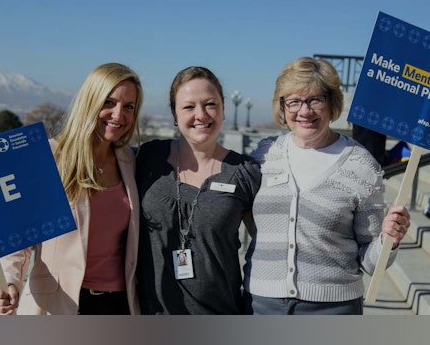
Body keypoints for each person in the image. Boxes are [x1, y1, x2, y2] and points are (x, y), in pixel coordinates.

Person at [242, 56, 411, 315]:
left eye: (315, 100)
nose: (305, 111)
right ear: (282, 107)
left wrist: (389, 240)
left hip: (333, 309)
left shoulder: (361, 165)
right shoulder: (264, 155)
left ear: (332, 104)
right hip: (260, 305)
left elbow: (371, 262)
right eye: (294, 101)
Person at [0, 62, 144, 315]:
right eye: (109, 102)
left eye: (128, 107)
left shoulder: (131, 162)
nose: (118, 115)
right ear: (90, 101)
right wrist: (9, 282)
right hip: (56, 305)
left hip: (119, 305)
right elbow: (18, 237)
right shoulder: (49, 157)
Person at [135, 66, 261, 314]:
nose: (201, 115)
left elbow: (266, 248)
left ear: (223, 108)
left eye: (210, 104)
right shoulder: (147, 159)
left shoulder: (245, 172)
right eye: (189, 107)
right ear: (174, 113)